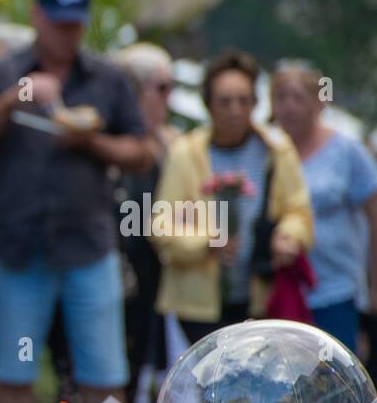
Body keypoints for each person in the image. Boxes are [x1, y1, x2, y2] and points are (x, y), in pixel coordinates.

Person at [0, 0, 151, 403]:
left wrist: (90, 141)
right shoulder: (3, 73)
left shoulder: (107, 78)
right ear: (36, 16)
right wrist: (11, 101)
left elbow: (143, 153)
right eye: (58, 23)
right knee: (14, 373)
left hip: (89, 248)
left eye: (75, 25)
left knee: (104, 375)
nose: (67, 34)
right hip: (20, 250)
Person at [151, 49, 313, 344]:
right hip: (197, 306)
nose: (235, 110)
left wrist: (288, 236)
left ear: (255, 103)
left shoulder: (276, 149)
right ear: (209, 104)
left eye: (244, 100)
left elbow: (298, 212)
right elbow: (161, 226)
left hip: (260, 300)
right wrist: (208, 242)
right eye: (225, 101)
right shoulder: (185, 153)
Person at [269, 61, 377, 353]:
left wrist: (373, 286)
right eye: (281, 98)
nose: (290, 107)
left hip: (336, 291)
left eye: (298, 98)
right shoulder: (268, 152)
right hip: (281, 292)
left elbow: (374, 216)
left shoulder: (347, 151)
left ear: (318, 103)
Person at [112, 41, 179, 403]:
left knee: (147, 367)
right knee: (111, 370)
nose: (169, 99)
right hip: (114, 269)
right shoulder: (111, 141)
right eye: (163, 88)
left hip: (155, 276)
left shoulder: (173, 143)